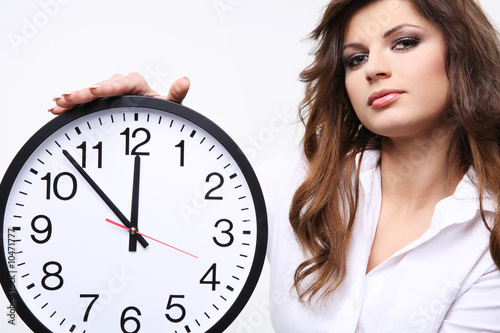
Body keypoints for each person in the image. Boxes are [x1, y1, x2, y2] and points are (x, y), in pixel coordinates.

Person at [50, 0, 500, 331]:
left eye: (403, 43)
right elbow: (179, 225)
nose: (373, 69)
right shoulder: (300, 180)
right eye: (355, 58)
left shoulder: (489, 236)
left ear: (461, 54)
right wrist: (154, 127)